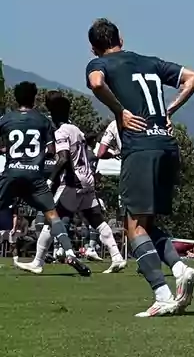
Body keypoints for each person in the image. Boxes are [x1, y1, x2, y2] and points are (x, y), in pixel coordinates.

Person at [85, 19, 194, 315]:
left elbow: (97, 83)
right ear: (120, 38)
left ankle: (162, 295)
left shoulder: (99, 64)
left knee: (133, 227)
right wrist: (169, 110)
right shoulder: (149, 62)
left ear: (93, 49)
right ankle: (179, 269)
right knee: (146, 226)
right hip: (167, 145)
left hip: (140, 149)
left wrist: (119, 111)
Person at [14, 91, 125, 274]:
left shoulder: (61, 132)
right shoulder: (76, 130)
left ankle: (38, 262)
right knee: (96, 220)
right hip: (87, 180)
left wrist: (50, 180)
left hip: (73, 183)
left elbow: (64, 158)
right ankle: (117, 257)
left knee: (52, 218)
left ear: (53, 113)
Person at [0, 82, 91, 277]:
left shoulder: (6, 119)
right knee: (53, 215)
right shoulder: (42, 121)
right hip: (34, 175)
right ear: (34, 98)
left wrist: (8, 151)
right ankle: (69, 252)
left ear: (16, 98)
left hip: (11, 174)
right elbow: (51, 151)